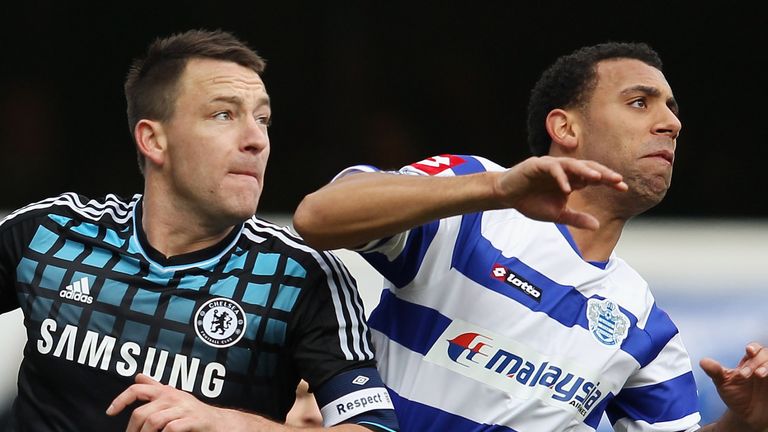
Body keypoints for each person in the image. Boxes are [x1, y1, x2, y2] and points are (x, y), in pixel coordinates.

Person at [293, 42, 768, 431]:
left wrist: (743, 424)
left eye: (671, 109)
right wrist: (495, 188)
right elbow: (318, 217)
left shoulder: (648, 325)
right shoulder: (476, 200)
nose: (671, 123)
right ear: (565, 127)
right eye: (639, 102)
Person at [0, 29, 398, 431]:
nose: (256, 139)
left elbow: (374, 427)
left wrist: (231, 424)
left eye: (263, 119)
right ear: (153, 139)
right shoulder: (51, 233)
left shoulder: (302, 277)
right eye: (224, 114)